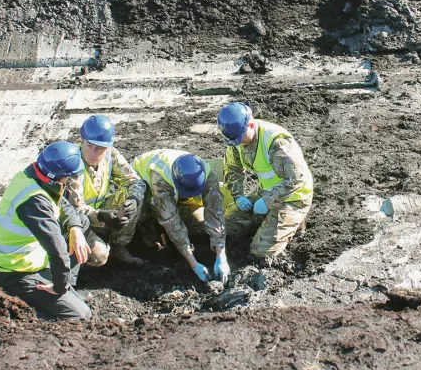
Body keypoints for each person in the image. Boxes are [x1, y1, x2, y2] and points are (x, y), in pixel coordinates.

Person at [0, 141, 93, 320]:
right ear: (58, 177)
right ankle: (51, 300)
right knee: (81, 314)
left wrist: (75, 228)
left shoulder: (33, 177)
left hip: (28, 261)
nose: (70, 181)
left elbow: (64, 207)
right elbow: (57, 251)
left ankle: (68, 289)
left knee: (81, 222)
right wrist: (57, 288)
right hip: (12, 273)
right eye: (69, 177)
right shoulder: (35, 202)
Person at [217, 102, 313, 261]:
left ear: (251, 124)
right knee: (227, 226)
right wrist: (239, 196)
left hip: (294, 197)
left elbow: (296, 178)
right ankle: (270, 220)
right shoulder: (235, 138)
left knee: (262, 253)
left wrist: (267, 201)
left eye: (240, 138)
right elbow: (232, 168)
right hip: (266, 192)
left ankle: (295, 221)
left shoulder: (277, 142)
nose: (237, 144)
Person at [133, 150, 229, 283]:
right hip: (141, 181)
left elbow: (215, 212)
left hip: (175, 190)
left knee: (196, 226)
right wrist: (194, 264)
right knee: (143, 208)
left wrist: (221, 256)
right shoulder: (161, 179)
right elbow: (171, 222)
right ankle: (147, 222)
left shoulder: (206, 173)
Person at [64, 115, 147, 267]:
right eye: (89, 146)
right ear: (81, 140)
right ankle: (74, 258)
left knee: (131, 198)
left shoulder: (110, 154)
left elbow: (134, 181)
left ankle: (118, 246)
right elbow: (74, 210)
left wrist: (133, 200)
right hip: (75, 221)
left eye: (100, 148)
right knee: (99, 256)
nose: (93, 154)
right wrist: (102, 216)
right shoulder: (72, 165)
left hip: (98, 210)